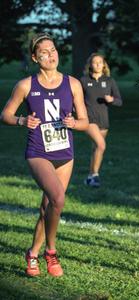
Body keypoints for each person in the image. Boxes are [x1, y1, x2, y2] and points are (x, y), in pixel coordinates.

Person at [0, 33, 89, 277]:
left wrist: (73, 123)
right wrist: (21, 120)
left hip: (65, 152)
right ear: (34, 57)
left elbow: (85, 121)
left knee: (47, 207)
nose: (51, 55)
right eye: (44, 52)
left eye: (53, 50)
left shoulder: (72, 84)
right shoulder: (26, 85)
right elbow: (5, 114)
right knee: (58, 199)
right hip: (38, 150)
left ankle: (32, 253)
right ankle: (51, 252)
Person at [80, 53, 123, 187]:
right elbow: (76, 99)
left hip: (103, 120)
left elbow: (119, 101)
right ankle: (95, 176)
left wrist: (112, 100)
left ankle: (89, 177)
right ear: (90, 65)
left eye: (100, 62)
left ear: (104, 65)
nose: (98, 64)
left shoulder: (109, 81)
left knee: (96, 149)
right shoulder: (84, 81)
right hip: (89, 119)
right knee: (101, 145)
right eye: (95, 62)